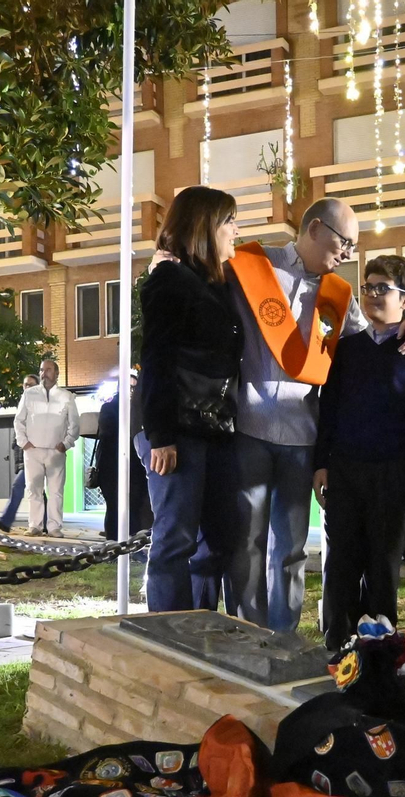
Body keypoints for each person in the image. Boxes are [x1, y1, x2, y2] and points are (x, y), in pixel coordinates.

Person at [214, 198, 405, 632]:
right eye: (344, 241)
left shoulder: (340, 295)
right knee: (246, 544)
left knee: (290, 549)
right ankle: (249, 636)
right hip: (248, 428)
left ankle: (284, 638)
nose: (349, 252)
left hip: (301, 438)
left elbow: (371, 346)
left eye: (353, 244)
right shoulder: (253, 265)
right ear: (314, 229)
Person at [313, 255, 405, 649]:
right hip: (343, 469)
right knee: (340, 562)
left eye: (382, 289)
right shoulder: (346, 349)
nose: (372, 294)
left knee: (383, 562)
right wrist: (320, 463)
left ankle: (381, 647)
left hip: (391, 472)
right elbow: (329, 408)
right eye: (368, 287)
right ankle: (337, 643)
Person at [136, 186, 244, 612]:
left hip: (215, 429)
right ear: (205, 226)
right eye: (229, 221)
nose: (236, 230)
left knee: (216, 539)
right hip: (178, 431)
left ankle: (199, 629)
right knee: (175, 538)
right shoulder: (170, 279)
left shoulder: (213, 280)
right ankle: (169, 638)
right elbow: (157, 358)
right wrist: (161, 435)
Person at [13, 358, 78, 536]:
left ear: (57, 373)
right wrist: (23, 442)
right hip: (32, 450)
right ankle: (34, 525)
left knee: (56, 490)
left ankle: (54, 527)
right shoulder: (29, 394)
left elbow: (74, 425)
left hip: (56, 451)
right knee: (33, 489)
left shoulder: (67, 396)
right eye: (42, 370)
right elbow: (19, 420)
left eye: (48, 370)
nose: (44, 374)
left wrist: (66, 444)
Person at [95, 367, 152, 541]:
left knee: (135, 504)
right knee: (114, 505)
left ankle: (133, 543)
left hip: (136, 466)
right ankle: (113, 543)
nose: (132, 391)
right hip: (112, 465)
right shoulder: (110, 407)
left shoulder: (142, 409)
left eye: (135, 387)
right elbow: (108, 432)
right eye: (129, 386)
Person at [0, 374, 40, 533]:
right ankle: (46, 523)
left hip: (35, 456)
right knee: (38, 491)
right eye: (26, 385)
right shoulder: (23, 405)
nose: (28, 387)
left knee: (18, 486)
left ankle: (6, 521)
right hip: (24, 458)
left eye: (31, 385)